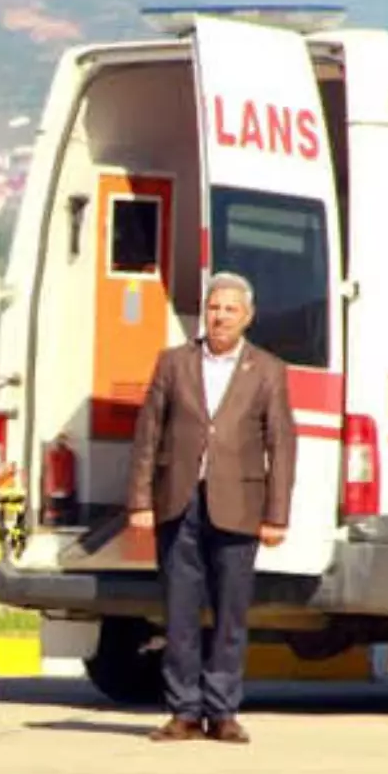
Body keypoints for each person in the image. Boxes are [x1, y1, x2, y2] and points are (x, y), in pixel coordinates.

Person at [127, 271, 295, 744]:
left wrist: (276, 515)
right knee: (179, 612)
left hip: (240, 505)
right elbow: (148, 435)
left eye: (230, 310)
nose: (220, 317)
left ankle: (222, 710)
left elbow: (282, 446)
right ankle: (183, 711)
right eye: (214, 307)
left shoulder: (267, 370)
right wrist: (141, 499)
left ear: (248, 317)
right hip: (179, 502)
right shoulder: (173, 363)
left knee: (229, 614)